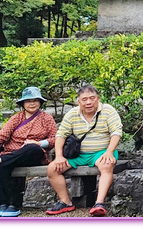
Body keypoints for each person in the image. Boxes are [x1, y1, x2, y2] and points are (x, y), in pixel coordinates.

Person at [0, 86, 58, 217]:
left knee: (31, 149)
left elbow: (54, 139)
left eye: (35, 100)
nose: (32, 103)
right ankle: (2, 204)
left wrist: (38, 143)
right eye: (28, 100)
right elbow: (2, 135)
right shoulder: (16, 118)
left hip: (33, 155)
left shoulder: (47, 118)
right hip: (11, 154)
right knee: (2, 165)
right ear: (23, 103)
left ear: (40, 102)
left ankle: (14, 204)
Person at [45, 85, 123, 217]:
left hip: (101, 151)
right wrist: (58, 156)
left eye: (92, 98)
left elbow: (116, 132)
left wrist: (109, 151)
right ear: (79, 101)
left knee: (106, 164)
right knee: (53, 168)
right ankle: (66, 202)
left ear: (98, 99)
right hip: (79, 154)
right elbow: (60, 135)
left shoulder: (108, 110)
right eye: (84, 99)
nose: (88, 102)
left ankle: (99, 203)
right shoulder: (72, 114)